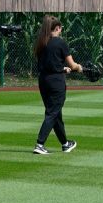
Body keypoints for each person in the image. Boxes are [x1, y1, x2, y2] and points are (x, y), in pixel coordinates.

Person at [33, 15, 82, 155]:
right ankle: (40, 144)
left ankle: (65, 144)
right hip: (56, 83)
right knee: (52, 113)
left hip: (43, 81)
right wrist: (79, 67)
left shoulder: (41, 42)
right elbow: (72, 65)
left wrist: (62, 69)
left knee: (56, 114)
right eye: (60, 29)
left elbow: (49, 64)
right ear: (57, 28)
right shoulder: (60, 42)